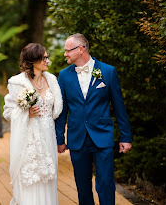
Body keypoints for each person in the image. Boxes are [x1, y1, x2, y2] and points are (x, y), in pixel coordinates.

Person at [55, 33, 132, 205]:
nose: (65, 54)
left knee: (105, 184)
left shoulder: (107, 71)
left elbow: (119, 107)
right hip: (77, 139)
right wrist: (59, 138)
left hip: (102, 136)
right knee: (82, 186)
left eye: (68, 50)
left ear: (81, 49)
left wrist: (125, 137)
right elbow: (62, 110)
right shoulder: (64, 76)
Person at [3, 43, 63, 205]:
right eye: (44, 58)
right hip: (29, 137)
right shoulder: (17, 83)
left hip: (48, 135)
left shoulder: (52, 80)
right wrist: (25, 113)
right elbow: (8, 111)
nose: (47, 61)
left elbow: (56, 110)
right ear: (32, 60)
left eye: (47, 57)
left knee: (48, 175)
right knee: (31, 175)